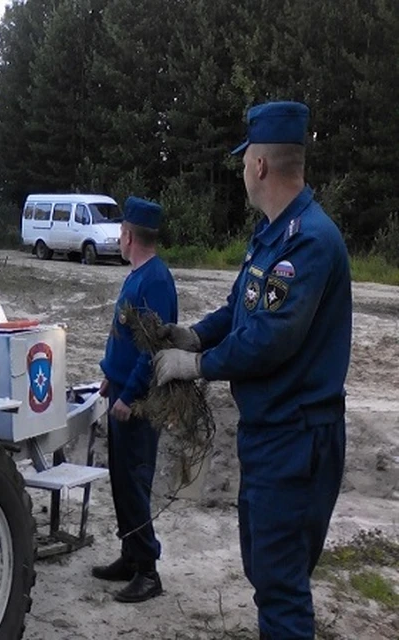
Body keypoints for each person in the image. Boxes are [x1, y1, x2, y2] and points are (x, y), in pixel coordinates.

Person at [153, 101, 352, 639]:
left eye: (244, 160)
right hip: (270, 436)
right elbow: (242, 309)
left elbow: (272, 338)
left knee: (281, 588)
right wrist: (196, 333)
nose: (241, 169)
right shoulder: (272, 234)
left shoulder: (308, 240)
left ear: (260, 166)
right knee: (267, 573)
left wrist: (197, 365)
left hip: (296, 438)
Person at [93, 196, 178, 603]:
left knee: (135, 482)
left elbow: (151, 349)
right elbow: (125, 339)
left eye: (121, 232)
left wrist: (128, 394)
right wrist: (111, 380)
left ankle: (148, 570)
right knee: (122, 482)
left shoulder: (156, 280)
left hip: (139, 405)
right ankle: (130, 555)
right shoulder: (137, 274)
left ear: (128, 235)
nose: (119, 237)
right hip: (121, 395)